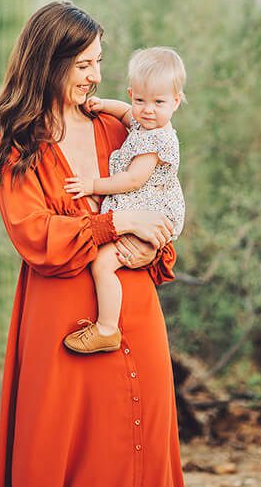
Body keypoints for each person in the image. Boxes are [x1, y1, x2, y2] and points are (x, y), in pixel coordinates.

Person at [0, 1, 186, 487]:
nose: (95, 76)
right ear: (49, 63)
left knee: (143, 445)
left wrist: (154, 245)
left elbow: (157, 199)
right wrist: (117, 222)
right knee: (65, 448)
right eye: (83, 65)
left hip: (135, 306)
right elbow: (34, 233)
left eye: (99, 62)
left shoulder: (121, 129)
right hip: (60, 317)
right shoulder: (15, 142)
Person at [61, 46, 189, 355]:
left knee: (104, 264)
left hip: (153, 209)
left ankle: (107, 328)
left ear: (175, 101)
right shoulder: (145, 120)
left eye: (158, 102)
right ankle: (107, 325)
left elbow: (133, 179)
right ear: (132, 93)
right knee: (108, 259)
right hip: (142, 208)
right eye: (140, 100)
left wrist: (94, 185)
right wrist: (103, 104)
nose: (147, 110)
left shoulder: (157, 139)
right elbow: (125, 113)